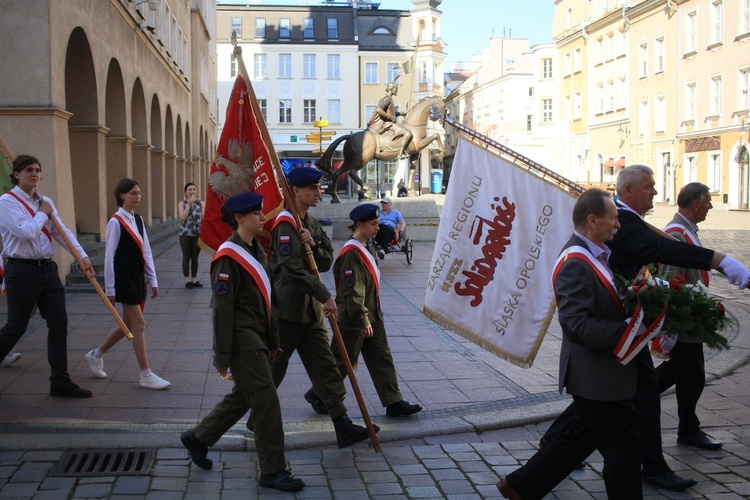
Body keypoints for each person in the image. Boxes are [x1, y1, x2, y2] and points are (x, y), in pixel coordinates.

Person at [540, 165, 750, 492]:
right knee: (632, 398)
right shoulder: (621, 224)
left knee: (607, 404)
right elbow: (662, 249)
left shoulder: (627, 220)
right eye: (649, 187)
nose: (655, 192)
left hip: (622, 327)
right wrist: (720, 260)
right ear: (628, 192)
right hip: (614, 330)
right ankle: (651, 465)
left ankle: (546, 457)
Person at [498, 188, 642, 500]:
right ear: (593, 220)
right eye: (613, 219)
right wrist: (629, 329)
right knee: (624, 451)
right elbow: (577, 325)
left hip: (601, 374)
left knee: (578, 439)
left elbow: (603, 304)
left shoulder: (596, 254)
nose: (618, 224)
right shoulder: (577, 261)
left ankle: (521, 485)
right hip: (597, 375)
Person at [180, 193, 304, 493]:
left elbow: (267, 301)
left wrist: (273, 339)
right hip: (241, 341)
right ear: (239, 218)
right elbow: (223, 311)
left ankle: (198, 437)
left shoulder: (256, 250)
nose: (263, 218)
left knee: (245, 396)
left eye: (261, 213)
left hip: (259, 337)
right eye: (256, 214)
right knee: (266, 402)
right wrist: (222, 355)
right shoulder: (227, 256)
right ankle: (272, 471)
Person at [266, 166, 378, 448]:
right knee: (273, 371)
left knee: (327, 370)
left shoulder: (310, 224)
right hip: (289, 313)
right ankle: (254, 418)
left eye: (320, 187)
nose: (320, 192)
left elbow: (326, 261)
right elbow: (291, 270)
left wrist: (313, 243)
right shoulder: (285, 225)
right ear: (296, 191)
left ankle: (342, 426)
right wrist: (325, 294)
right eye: (314, 188)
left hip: (311, 314)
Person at [304, 204, 422, 418]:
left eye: (377, 223)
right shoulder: (352, 253)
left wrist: (369, 317)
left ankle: (393, 401)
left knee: (381, 359)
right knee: (342, 360)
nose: (377, 228)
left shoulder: (365, 247)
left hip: (371, 315)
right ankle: (319, 394)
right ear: (359, 225)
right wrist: (362, 318)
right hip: (354, 317)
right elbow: (352, 291)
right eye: (373, 224)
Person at [0, 154, 93, 398]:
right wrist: (43, 212)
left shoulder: (45, 201)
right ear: (17, 174)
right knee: (16, 327)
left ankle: (60, 381)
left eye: (38, 170)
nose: (34, 174)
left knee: (59, 323)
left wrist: (81, 257)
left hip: (47, 269)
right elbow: (27, 233)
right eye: (29, 170)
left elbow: (62, 233)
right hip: (21, 270)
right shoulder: (7, 202)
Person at [83, 179, 169, 390]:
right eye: (133, 193)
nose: (137, 196)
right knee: (138, 324)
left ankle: (96, 355)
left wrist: (153, 278)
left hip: (137, 277)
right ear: (122, 195)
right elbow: (109, 256)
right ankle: (145, 374)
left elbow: (146, 251)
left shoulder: (138, 220)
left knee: (128, 325)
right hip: (123, 279)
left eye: (139, 193)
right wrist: (110, 288)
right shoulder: (115, 222)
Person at [656, 182, 722, 450]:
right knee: (691, 375)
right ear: (696, 204)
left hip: (691, 317)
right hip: (684, 321)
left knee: (681, 373)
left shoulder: (686, 231)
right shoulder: (676, 233)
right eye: (707, 201)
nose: (710, 206)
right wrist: (678, 316)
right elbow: (670, 278)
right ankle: (689, 430)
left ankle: (688, 427)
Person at [368, 83, 413, 158]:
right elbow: (379, 109)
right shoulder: (387, 98)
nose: (397, 90)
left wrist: (402, 113)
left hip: (390, 121)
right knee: (408, 134)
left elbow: (392, 113)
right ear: (391, 89)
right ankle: (401, 153)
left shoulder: (390, 99)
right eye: (396, 89)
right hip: (389, 123)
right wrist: (390, 118)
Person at [178, 182, 205, 289]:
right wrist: (189, 204)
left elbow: (204, 218)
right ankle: (187, 280)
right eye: (189, 189)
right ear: (185, 192)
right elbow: (183, 217)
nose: (192, 191)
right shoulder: (182, 203)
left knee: (195, 257)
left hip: (197, 234)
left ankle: (194, 279)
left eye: (194, 189)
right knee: (186, 257)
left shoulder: (201, 203)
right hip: (185, 234)